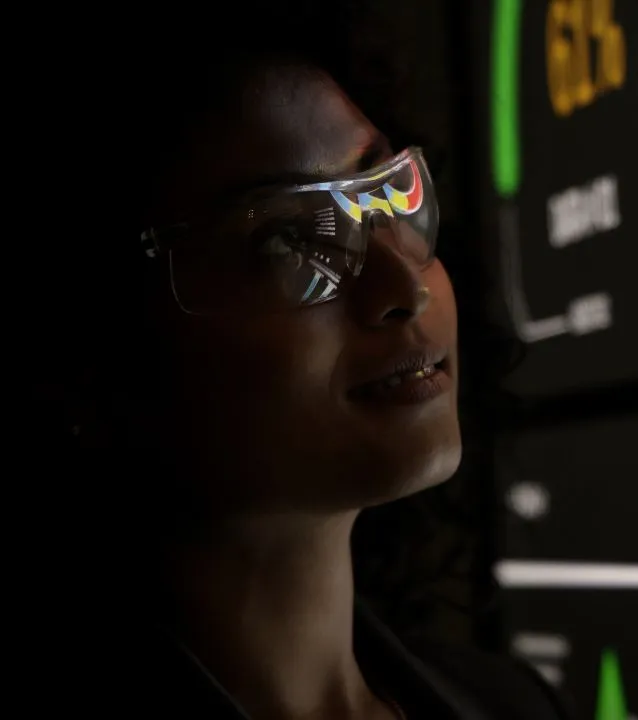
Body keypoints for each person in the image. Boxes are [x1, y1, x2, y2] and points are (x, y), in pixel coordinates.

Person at [33, 3, 563, 718]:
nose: (403, 288)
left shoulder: (515, 705)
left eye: (389, 195)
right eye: (287, 242)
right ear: (91, 358)